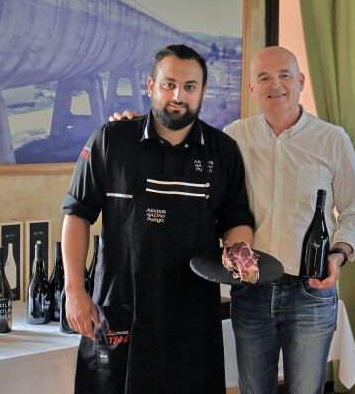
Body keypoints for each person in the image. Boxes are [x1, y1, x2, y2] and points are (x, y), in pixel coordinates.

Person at [111, 45, 355, 394]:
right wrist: (133, 125)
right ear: (251, 88)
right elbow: (177, 136)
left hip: (310, 292)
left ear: (301, 81)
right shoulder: (232, 138)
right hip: (251, 292)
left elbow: (354, 213)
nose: (274, 85)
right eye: (263, 77)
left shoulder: (332, 140)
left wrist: (338, 254)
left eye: (284, 76)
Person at [61, 44, 254, 394]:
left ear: (202, 92)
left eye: (190, 87)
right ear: (151, 85)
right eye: (169, 84)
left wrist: (242, 255)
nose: (178, 95)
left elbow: (237, 219)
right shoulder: (111, 140)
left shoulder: (223, 151)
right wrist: (74, 289)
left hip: (192, 312)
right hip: (121, 306)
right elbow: (77, 214)